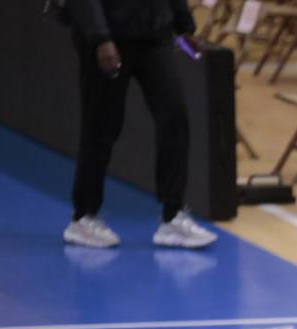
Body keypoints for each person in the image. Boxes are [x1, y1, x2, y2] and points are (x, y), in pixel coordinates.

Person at [63, 0, 217, 249]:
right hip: (110, 37)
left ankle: (173, 215)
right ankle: (83, 217)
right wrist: (101, 37)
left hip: (154, 35)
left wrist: (183, 24)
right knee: (101, 126)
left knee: (174, 117)